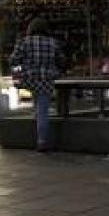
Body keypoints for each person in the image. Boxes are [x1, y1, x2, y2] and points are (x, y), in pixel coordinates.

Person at [10, 18, 65, 152]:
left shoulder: (23, 42)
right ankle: (42, 140)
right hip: (46, 79)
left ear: (31, 29)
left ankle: (40, 138)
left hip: (30, 78)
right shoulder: (53, 43)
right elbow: (62, 60)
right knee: (42, 110)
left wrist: (24, 65)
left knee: (38, 108)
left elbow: (13, 60)